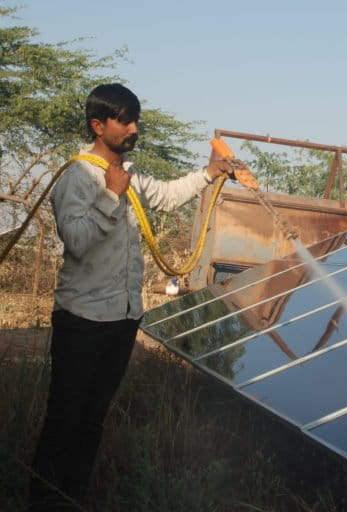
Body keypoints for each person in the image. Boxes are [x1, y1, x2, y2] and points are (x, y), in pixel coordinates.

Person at [28, 83, 234, 511]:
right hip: (83, 319)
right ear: (98, 126)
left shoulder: (132, 174)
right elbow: (78, 241)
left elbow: (167, 196)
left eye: (135, 119)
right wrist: (111, 196)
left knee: (92, 420)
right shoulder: (78, 177)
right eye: (125, 120)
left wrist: (209, 173)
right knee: (65, 420)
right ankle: (43, 500)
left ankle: (72, 498)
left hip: (121, 320)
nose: (134, 128)